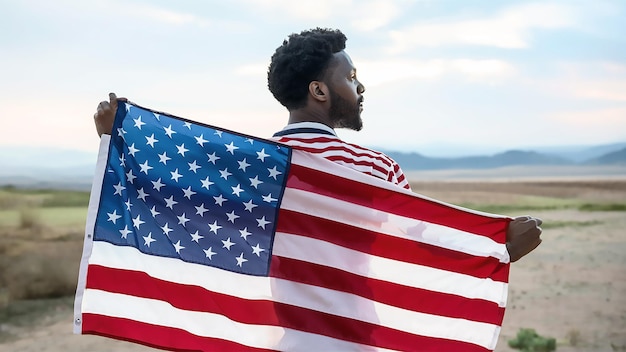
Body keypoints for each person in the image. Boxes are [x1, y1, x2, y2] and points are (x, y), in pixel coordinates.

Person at [93, 27, 542, 262]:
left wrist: (119, 139)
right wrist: (497, 249)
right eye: (350, 77)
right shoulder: (376, 169)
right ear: (319, 91)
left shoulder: (251, 164)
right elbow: (423, 243)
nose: (360, 87)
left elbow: (173, 202)